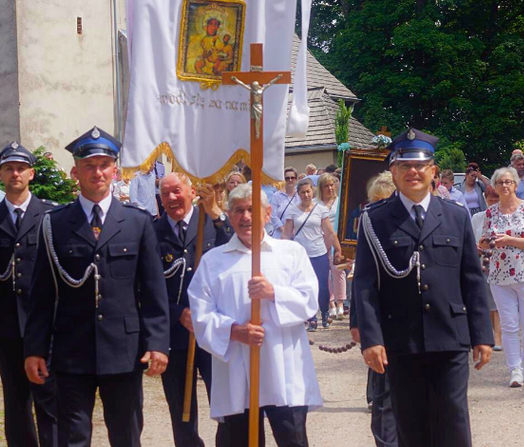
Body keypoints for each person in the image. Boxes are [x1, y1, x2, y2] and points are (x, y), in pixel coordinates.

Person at [23, 127, 169, 447]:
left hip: (124, 351)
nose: (97, 172)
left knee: (126, 435)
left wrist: (157, 342)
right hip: (71, 350)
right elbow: (42, 294)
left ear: (115, 170)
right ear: (75, 171)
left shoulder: (137, 221)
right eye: (89, 166)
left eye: (104, 165)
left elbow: (154, 291)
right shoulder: (55, 223)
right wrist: (35, 349)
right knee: (73, 437)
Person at [354, 128, 494, 447]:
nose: (412, 172)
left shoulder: (456, 216)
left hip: (450, 336)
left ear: (432, 171)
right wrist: (371, 339)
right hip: (401, 340)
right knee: (410, 424)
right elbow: (364, 284)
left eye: (420, 165)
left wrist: (482, 334)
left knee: (453, 421)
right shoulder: (375, 220)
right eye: (404, 166)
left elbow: (472, 279)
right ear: (393, 170)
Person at [187, 183, 323, 447]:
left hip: (283, 369)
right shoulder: (214, 261)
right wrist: (234, 331)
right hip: (236, 368)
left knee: (292, 440)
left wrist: (275, 293)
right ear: (229, 214)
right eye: (238, 210)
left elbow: (309, 301)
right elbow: (199, 312)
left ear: (268, 212)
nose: (246, 217)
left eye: (252, 209)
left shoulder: (290, 253)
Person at [0, 142, 57, 446]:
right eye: (9, 168)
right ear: (0, 175)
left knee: (50, 399)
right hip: (6, 324)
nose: (15, 174)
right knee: (16, 401)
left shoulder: (50, 215)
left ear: (31, 174)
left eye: (21, 168)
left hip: (45, 324)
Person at [155, 174, 233, 447]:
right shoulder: (153, 232)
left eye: (177, 191)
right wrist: (178, 312)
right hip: (176, 335)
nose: (171, 198)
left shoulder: (212, 225)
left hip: (213, 331)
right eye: (165, 194)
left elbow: (235, 257)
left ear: (191, 192)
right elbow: (146, 286)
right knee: (181, 412)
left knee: (227, 407)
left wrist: (215, 214)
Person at [479, 167, 524, 388]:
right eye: (500, 183)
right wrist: (486, 243)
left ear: (515, 185)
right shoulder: (491, 213)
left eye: (508, 182)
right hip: (500, 275)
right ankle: (514, 369)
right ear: (495, 187)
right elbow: (485, 241)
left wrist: (510, 240)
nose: (505, 186)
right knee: (509, 325)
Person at [349, 172, 400, 447]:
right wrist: (356, 322)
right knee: (383, 397)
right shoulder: (367, 228)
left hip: (407, 323)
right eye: (374, 202)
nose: (377, 207)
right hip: (378, 324)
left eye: (384, 200)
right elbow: (361, 281)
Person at [283, 177, 342, 330]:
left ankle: (324, 313)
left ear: (312, 191)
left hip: (319, 252)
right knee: (305, 287)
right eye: (302, 192)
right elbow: (287, 234)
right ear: (298, 194)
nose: (306, 195)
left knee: (322, 285)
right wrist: (282, 251)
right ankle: (311, 318)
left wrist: (338, 248)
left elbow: (329, 232)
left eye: (308, 192)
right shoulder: (292, 211)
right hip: (301, 254)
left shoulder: (320, 209)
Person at [470, 182, 503, 352]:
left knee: (497, 301)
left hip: (501, 262)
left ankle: (498, 336)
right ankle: (493, 333)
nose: (494, 204)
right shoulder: (477, 218)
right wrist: (478, 245)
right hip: (482, 262)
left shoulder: (505, 217)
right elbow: (471, 241)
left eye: (496, 200)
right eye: (491, 200)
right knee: (488, 301)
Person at [317, 172, 347, 319]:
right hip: (321, 239)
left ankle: (341, 302)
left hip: (337, 238)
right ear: (320, 188)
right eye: (326, 186)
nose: (329, 188)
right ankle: (330, 303)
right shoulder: (317, 204)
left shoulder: (339, 201)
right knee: (325, 272)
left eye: (331, 185)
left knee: (338, 270)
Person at [269, 167, 300, 238]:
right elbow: (273, 215)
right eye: (287, 178)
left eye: (292, 178)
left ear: (296, 179)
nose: (290, 180)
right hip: (279, 235)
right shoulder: (276, 196)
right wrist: (283, 230)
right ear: (283, 180)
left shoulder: (300, 195)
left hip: (297, 234)